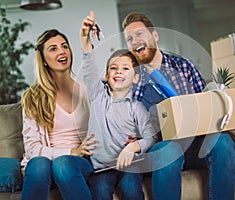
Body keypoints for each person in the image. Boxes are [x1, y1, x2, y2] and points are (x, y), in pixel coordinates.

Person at [122, 13, 235, 200]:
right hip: (161, 149)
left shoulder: (184, 67)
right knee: (168, 150)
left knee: (222, 142)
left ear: (155, 35)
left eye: (140, 34)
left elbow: (206, 107)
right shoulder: (131, 80)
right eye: (129, 38)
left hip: (194, 145)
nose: (135, 41)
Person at [80, 11, 158, 200]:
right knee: (99, 192)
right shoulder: (98, 95)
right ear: (107, 76)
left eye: (125, 69)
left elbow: (151, 137)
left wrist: (134, 147)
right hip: (101, 169)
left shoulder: (137, 107)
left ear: (135, 77)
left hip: (131, 166)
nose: (118, 72)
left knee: (131, 189)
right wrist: (85, 38)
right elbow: (89, 66)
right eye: (113, 68)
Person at [21, 29, 96, 200]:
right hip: (45, 167)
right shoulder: (33, 98)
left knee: (63, 164)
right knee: (39, 163)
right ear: (44, 59)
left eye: (64, 46)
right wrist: (71, 150)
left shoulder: (87, 89)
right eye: (53, 49)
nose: (61, 51)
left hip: (77, 165)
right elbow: (32, 148)